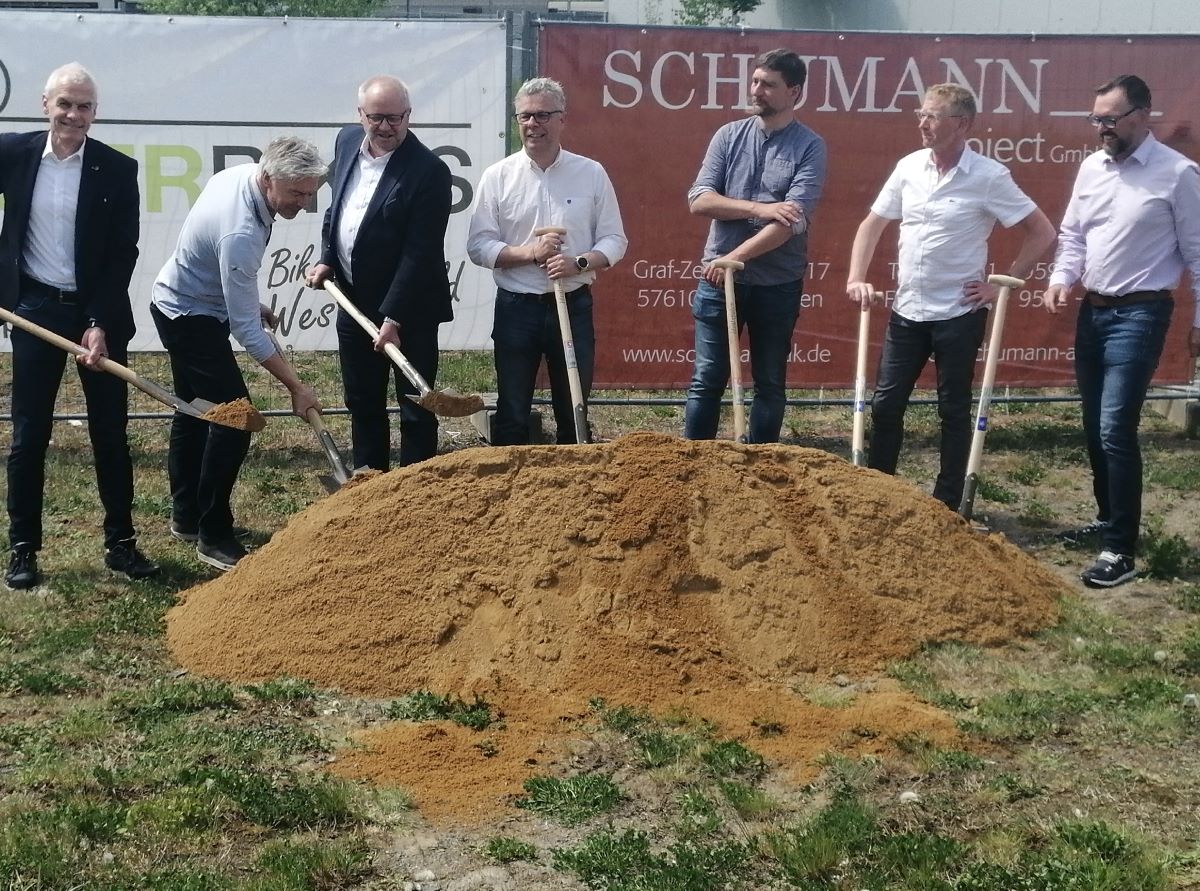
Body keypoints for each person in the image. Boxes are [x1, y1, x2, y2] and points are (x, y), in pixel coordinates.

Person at [846, 83, 1056, 510]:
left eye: (933, 116)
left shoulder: (989, 176)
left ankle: (947, 505)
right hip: (908, 309)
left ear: (961, 124)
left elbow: (1042, 232)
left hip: (959, 313)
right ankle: (878, 494)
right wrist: (856, 276)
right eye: (921, 115)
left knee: (953, 410)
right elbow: (871, 226)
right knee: (886, 405)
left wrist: (1003, 283)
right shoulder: (908, 168)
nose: (923, 123)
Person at [0, 63, 157, 590]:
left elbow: (122, 253)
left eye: (84, 106)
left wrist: (97, 322)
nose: (73, 114)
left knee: (109, 432)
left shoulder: (117, 168)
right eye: (65, 103)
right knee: (29, 433)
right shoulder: (13, 153)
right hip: (35, 309)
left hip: (99, 311)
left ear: (96, 112)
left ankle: (121, 542)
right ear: (45, 104)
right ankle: (23, 547)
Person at [1046, 74, 1200, 588]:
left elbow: (1198, 255)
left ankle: (1120, 550)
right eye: (1096, 119)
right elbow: (1072, 235)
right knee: (1094, 424)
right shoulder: (1092, 168)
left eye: (1110, 119)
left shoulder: (1178, 174)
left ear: (1142, 114)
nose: (1101, 129)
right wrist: (1062, 278)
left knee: (1115, 427)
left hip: (1141, 313)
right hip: (1094, 312)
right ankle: (1108, 518)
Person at [151, 136, 323, 572]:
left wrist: (243, 300)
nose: (303, 204)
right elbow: (247, 332)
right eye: (296, 194)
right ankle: (213, 535)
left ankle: (187, 516)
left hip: (188, 302)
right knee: (235, 420)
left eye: (310, 193)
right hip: (188, 316)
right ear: (268, 179)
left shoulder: (240, 177)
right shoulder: (242, 229)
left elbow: (228, 280)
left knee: (195, 411)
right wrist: (297, 387)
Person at [466, 77, 627, 445]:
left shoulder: (590, 173)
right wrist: (530, 254)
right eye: (524, 116)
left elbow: (615, 240)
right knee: (512, 412)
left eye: (542, 115)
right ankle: (515, 492)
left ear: (562, 119)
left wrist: (580, 264)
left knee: (574, 409)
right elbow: (479, 246)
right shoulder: (498, 177)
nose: (532, 124)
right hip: (517, 308)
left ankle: (574, 492)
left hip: (572, 306)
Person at [305, 75, 452, 469]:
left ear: (409, 116)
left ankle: (417, 492)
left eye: (395, 118)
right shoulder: (347, 141)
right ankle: (370, 486)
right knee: (363, 402)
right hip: (353, 303)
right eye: (376, 118)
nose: (386, 127)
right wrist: (327, 258)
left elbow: (420, 253)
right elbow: (337, 210)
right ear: (360, 115)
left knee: (415, 406)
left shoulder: (429, 171)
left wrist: (394, 317)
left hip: (411, 310)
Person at [683, 48, 826, 444]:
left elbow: (790, 223)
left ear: (794, 91)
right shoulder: (728, 135)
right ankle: (693, 465)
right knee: (707, 377)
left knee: (769, 382)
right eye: (755, 81)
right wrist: (758, 208)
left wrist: (733, 257)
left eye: (768, 84)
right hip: (717, 283)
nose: (756, 90)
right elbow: (700, 199)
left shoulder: (810, 147)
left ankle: (760, 469)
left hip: (776, 284)